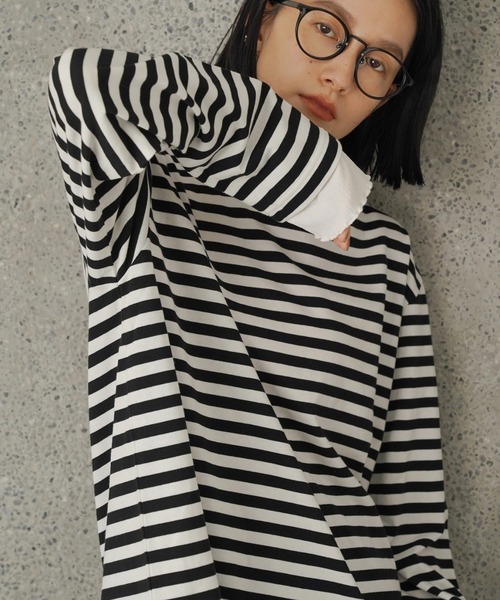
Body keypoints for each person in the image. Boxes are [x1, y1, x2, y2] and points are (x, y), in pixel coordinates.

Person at [48, 0, 465, 598]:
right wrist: (317, 177)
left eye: (377, 62)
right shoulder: (142, 195)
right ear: (263, 19)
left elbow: (416, 536)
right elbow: (85, 86)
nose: (341, 76)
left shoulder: (386, 255)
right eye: (326, 27)